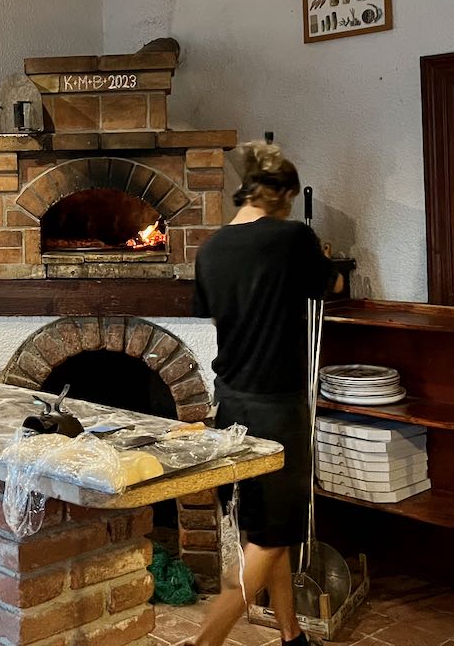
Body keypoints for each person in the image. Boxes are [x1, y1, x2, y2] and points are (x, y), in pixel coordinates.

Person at [187, 141, 341, 646]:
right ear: (282, 195)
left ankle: (291, 635)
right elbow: (331, 286)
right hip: (277, 408)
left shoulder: (210, 249)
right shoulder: (292, 238)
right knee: (276, 535)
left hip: (230, 401)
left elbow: (217, 316)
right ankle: (206, 642)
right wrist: (324, 259)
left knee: (264, 532)